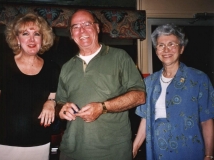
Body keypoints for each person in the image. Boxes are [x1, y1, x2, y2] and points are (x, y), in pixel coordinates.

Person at [54, 9, 146, 160]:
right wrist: (61, 109)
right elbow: (59, 103)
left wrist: (102, 107)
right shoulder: (67, 67)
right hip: (71, 150)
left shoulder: (119, 57)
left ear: (97, 28)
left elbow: (140, 96)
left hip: (112, 153)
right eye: (76, 27)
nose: (81, 30)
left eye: (86, 24)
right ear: (71, 34)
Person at [0, 12, 60, 160]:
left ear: (43, 39)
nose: (31, 39)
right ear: (17, 39)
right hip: (2, 144)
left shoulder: (53, 69)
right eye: (25, 33)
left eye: (36, 34)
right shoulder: (2, 65)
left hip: (39, 145)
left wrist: (52, 102)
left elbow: (56, 100)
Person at [132, 23, 214, 160]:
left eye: (172, 44)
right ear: (156, 50)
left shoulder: (198, 79)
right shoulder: (149, 82)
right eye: (161, 45)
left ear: (181, 48)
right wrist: (133, 149)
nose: (166, 49)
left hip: (189, 151)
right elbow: (145, 120)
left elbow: (206, 120)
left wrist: (209, 155)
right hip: (157, 152)